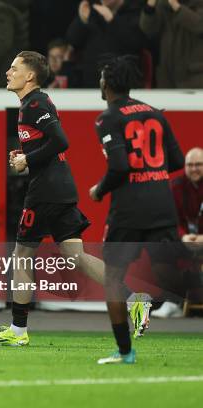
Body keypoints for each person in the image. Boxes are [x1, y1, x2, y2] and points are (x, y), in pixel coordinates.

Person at [0, 51, 148, 347]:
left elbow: (61, 140)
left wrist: (26, 159)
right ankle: (133, 298)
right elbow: (49, 146)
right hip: (60, 187)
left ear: (30, 76)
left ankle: (18, 331)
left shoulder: (34, 103)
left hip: (45, 192)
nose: (8, 72)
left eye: (14, 68)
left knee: (21, 256)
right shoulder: (34, 103)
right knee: (75, 255)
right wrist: (26, 158)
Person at [89, 55, 184, 364]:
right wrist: (151, 173)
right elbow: (178, 161)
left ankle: (125, 352)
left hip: (129, 210)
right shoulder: (155, 114)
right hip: (162, 204)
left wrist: (99, 190)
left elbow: (119, 166)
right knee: (173, 276)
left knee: (114, 278)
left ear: (106, 84)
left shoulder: (108, 119)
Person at [152, 147, 203, 317]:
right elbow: (169, 219)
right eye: (190, 165)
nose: (194, 168)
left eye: (198, 164)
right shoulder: (175, 186)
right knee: (159, 249)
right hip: (185, 239)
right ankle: (171, 299)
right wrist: (183, 236)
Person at [140, 0, 203, 88]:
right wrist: (150, 7)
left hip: (195, 74)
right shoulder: (163, 5)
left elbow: (199, 25)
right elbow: (148, 29)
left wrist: (176, 6)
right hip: (167, 75)